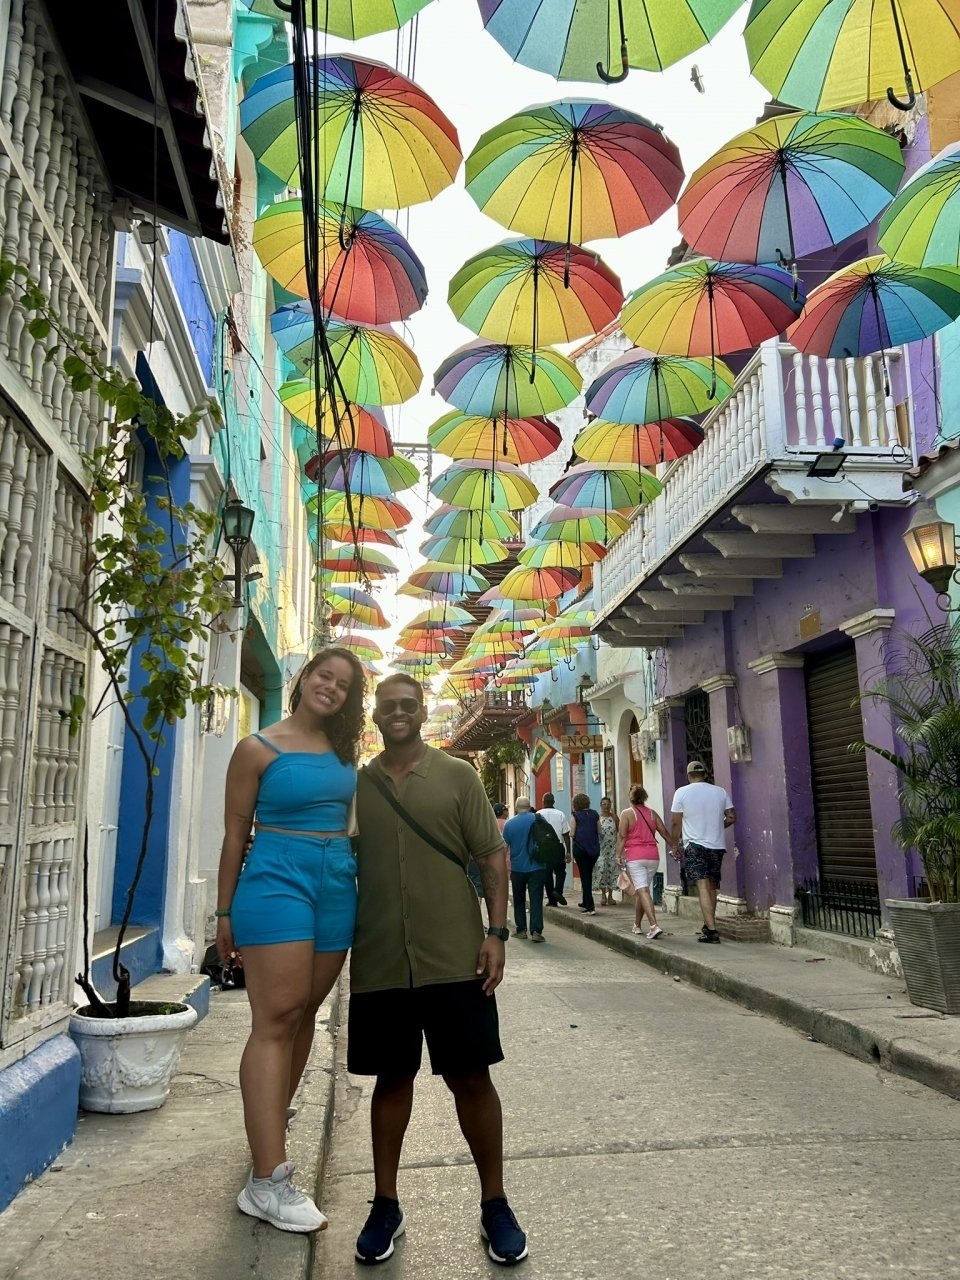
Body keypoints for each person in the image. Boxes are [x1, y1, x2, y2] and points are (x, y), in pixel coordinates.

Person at [349, 675, 527, 1266]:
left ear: (422, 712)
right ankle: (385, 1204)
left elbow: (492, 856)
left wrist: (497, 933)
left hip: (455, 956)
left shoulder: (458, 776)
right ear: (376, 715)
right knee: (390, 1080)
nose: (399, 713)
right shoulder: (358, 786)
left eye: (409, 704)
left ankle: (495, 1203)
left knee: (471, 1078)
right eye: (389, 706)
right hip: (380, 958)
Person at [216, 647, 365, 1233]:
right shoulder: (257, 748)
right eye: (325, 675)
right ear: (304, 678)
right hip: (277, 875)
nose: (332, 687)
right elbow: (234, 836)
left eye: (344, 684)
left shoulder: (345, 750)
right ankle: (267, 1182)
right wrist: (223, 912)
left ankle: (267, 1128)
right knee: (276, 1018)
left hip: (337, 881)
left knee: (303, 1014)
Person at [670, 761, 735, 944]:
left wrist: (675, 845)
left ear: (689, 775)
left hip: (695, 845)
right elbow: (731, 817)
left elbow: (675, 822)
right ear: (705, 775)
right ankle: (708, 924)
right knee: (713, 886)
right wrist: (718, 826)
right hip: (716, 845)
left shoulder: (681, 792)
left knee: (702, 886)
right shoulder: (720, 791)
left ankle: (712, 931)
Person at [617, 785, 672, 939]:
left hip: (635, 857)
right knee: (642, 891)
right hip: (653, 857)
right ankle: (637, 925)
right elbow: (664, 832)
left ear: (631, 798)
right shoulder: (652, 813)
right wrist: (674, 846)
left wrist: (618, 855)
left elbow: (622, 836)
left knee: (642, 891)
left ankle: (654, 926)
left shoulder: (627, 813)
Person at [502, 797, 544, 943]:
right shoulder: (539, 819)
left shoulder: (510, 824)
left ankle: (521, 930)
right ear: (529, 806)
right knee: (536, 899)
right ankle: (536, 931)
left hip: (518, 868)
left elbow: (504, 848)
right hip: (537, 866)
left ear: (516, 807)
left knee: (519, 899)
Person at [537, 792, 571, 906]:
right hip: (558, 847)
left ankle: (552, 901)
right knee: (560, 871)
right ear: (554, 802)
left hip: (544, 848)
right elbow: (566, 834)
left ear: (543, 802)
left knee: (547, 874)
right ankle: (558, 891)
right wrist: (568, 851)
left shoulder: (538, 815)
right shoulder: (560, 814)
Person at [571, 793, 601, 915]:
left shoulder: (575, 815)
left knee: (585, 877)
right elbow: (600, 830)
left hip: (581, 849)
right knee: (588, 874)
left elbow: (572, 833)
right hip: (594, 849)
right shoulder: (595, 814)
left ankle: (590, 906)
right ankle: (585, 901)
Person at [594, 796, 619, 907]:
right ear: (601, 805)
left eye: (608, 804)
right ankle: (603, 895)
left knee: (612, 871)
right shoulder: (598, 818)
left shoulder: (614, 817)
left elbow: (620, 831)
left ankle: (611, 896)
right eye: (604, 804)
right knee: (602, 870)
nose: (606, 806)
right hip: (601, 849)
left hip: (612, 849)